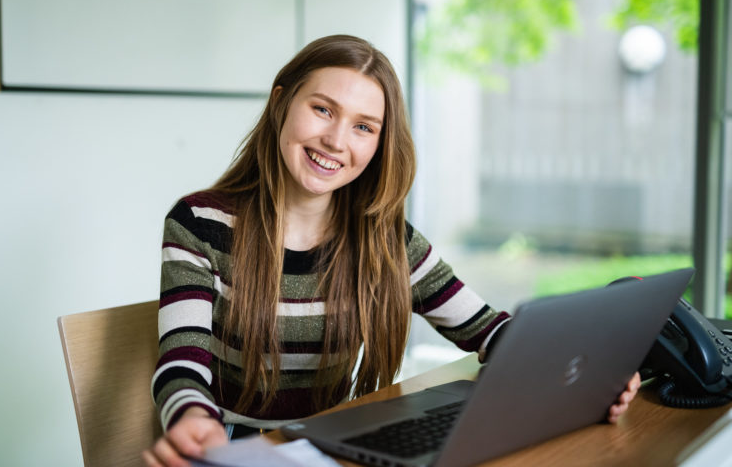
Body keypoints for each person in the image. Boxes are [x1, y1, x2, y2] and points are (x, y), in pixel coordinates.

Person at [142, 34, 640, 467]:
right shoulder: (200, 223)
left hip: (335, 444)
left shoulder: (385, 239)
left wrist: (591, 373)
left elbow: (487, 330)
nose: (336, 140)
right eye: (322, 109)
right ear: (280, 104)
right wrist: (191, 416)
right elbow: (183, 360)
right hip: (236, 447)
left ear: (380, 142)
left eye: (364, 126)